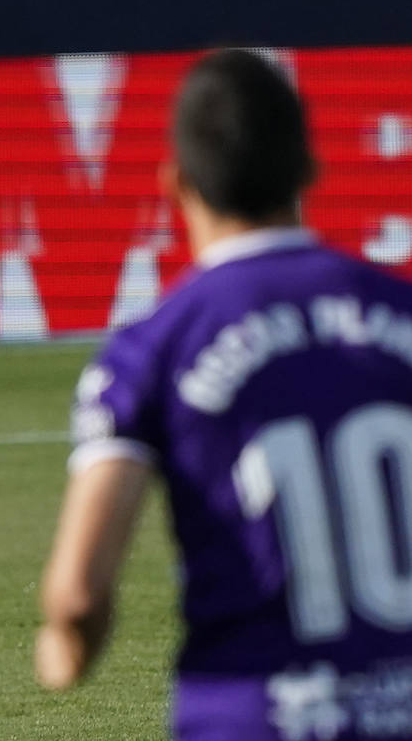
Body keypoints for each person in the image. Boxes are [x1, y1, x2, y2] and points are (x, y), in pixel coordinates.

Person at [35, 49, 412, 740]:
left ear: (176, 182)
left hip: (249, 716)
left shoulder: (153, 348)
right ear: (309, 170)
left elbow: (78, 594)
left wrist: (66, 648)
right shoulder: (400, 310)